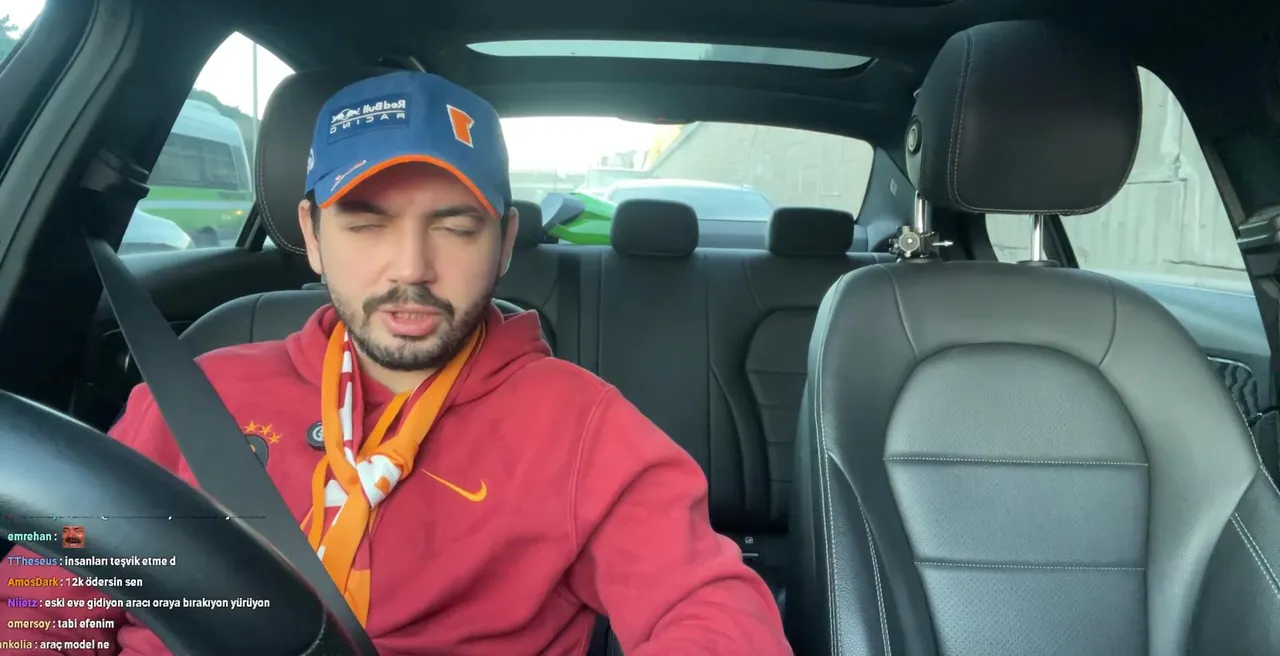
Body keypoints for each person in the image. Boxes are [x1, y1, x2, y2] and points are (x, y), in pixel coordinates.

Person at [0, 71, 792, 655]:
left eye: (456, 227)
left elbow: (712, 612)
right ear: (313, 235)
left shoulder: (581, 426)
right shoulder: (195, 394)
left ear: (505, 244)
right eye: (366, 224)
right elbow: (40, 600)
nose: (410, 268)